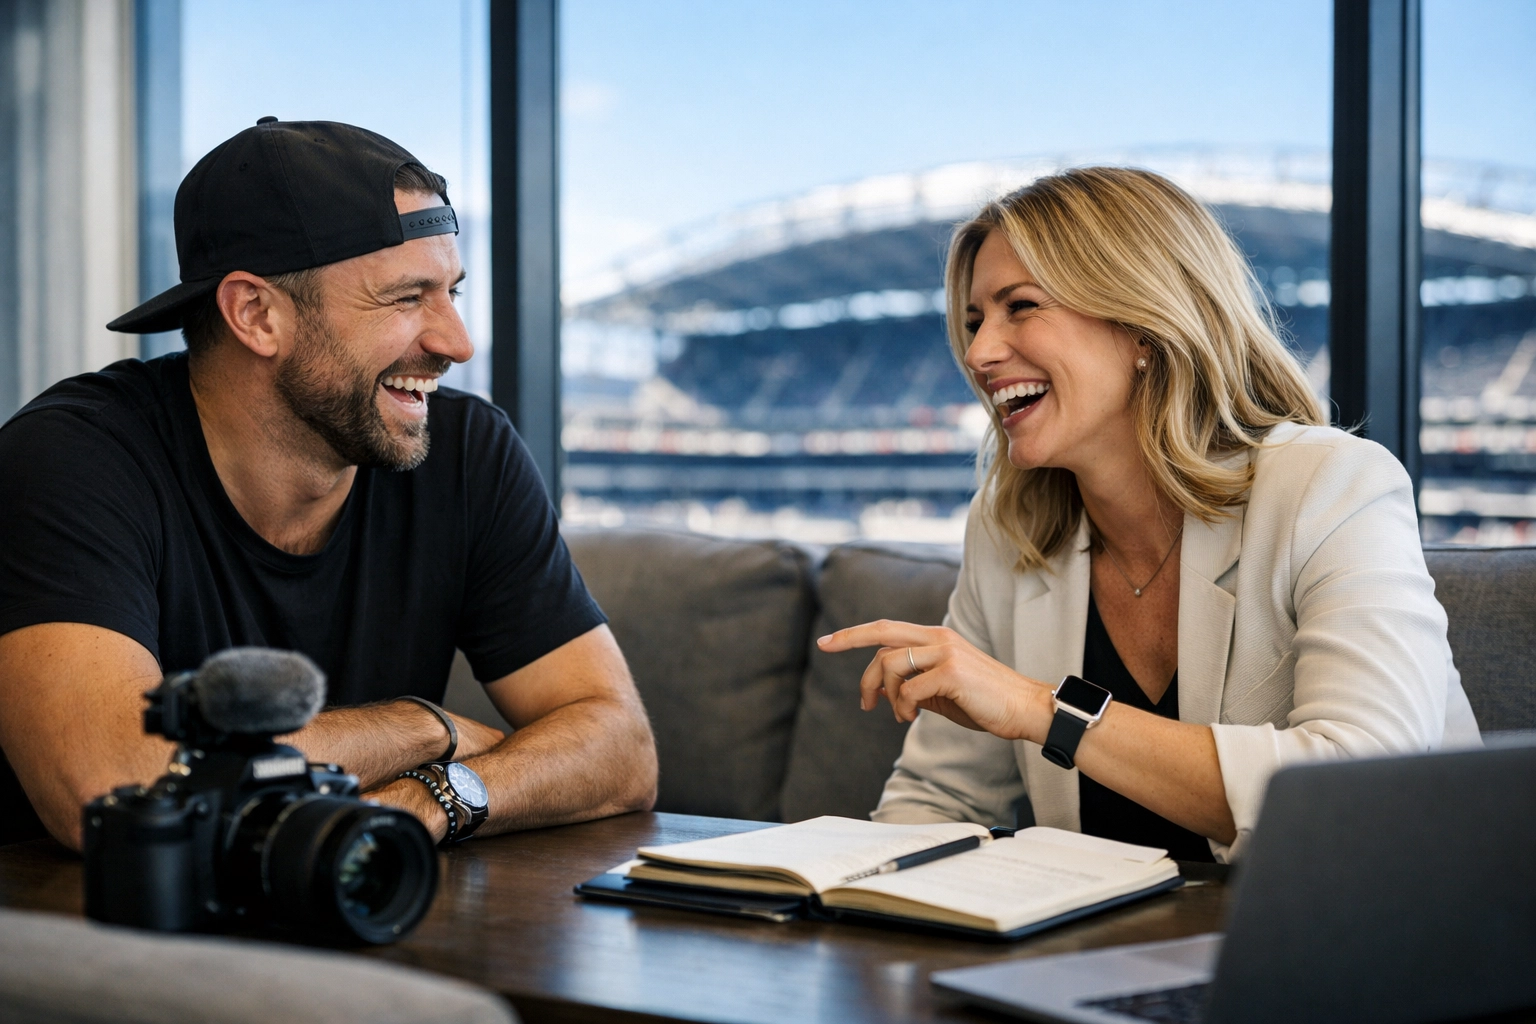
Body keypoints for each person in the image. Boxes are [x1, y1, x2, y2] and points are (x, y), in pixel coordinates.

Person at [0, 119, 657, 849]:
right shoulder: (75, 456)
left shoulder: (467, 450)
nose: (457, 343)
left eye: (452, 292)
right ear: (256, 314)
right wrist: (423, 727)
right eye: (408, 298)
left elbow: (622, 749)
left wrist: (439, 794)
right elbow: (112, 786)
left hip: (349, 905)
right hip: (86, 942)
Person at [817, 167, 1481, 862]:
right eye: (975, 321)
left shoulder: (1333, 484)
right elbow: (938, 800)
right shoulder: (1009, 528)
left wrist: (1044, 711)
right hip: (1103, 960)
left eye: (1021, 306)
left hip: (1366, 945)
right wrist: (843, 894)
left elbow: (1362, 797)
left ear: (1140, 324)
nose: (978, 354)